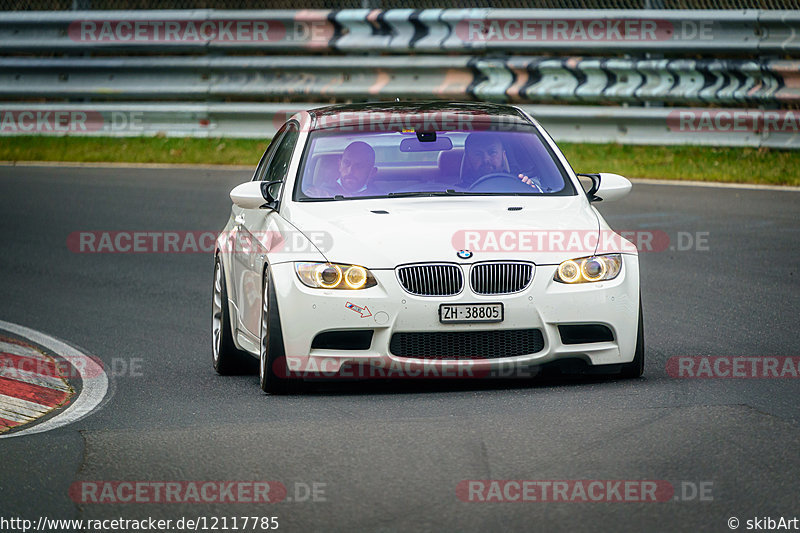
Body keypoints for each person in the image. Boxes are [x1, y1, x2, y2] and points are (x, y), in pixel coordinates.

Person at [458, 133, 543, 192]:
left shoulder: (520, 184)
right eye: (478, 154)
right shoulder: (456, 192)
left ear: (503, 156)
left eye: (492, 152)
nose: (486, 159)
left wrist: (531, 188)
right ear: (468, 160)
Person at [311, 141, 378, 197]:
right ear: (340, 165)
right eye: (346, 163)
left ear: (372, 172)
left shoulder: (380, 198)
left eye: (358, 166)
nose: (350, 171)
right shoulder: (317, 194)